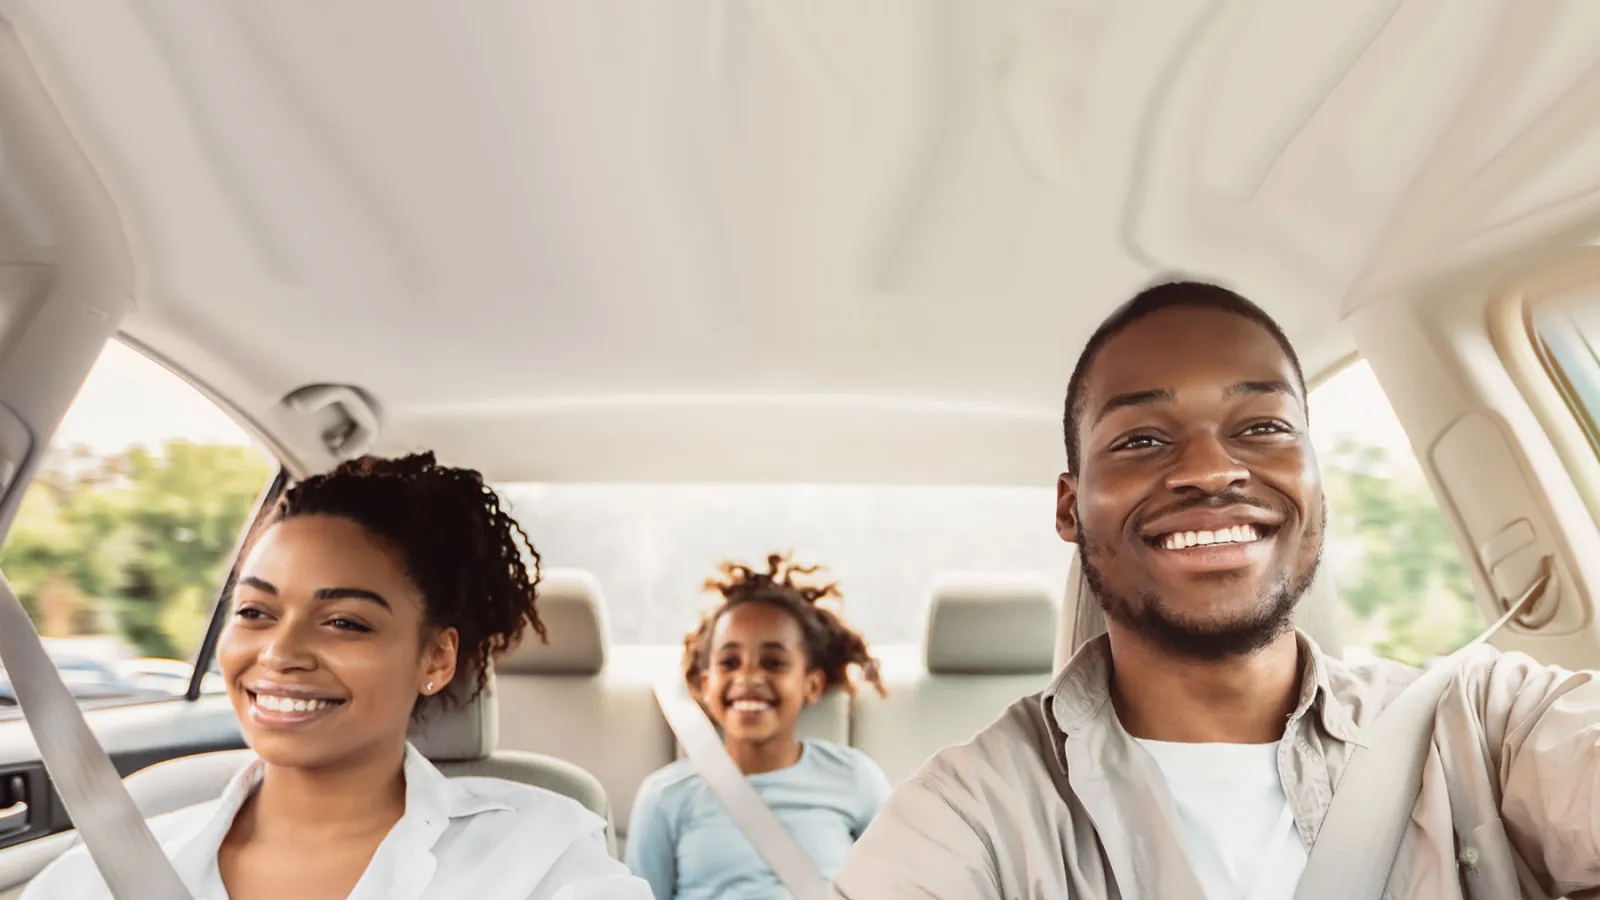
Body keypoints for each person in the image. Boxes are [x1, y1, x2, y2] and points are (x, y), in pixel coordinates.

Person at [830, 280, 1600, 899]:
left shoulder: (1483, 724)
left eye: (1263, 427)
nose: (1209, 470)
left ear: (1315, 481)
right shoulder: (976, 815)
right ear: (1070, 508)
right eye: (1141, 439)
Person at [26, 452, 651, 900]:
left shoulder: (540, 855)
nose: (280, 651)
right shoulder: (113, 864)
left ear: (435, 658)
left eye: (345, 623)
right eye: (255, 612)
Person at [626, 553, 892, 900]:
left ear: (811, 684)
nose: (749, 677)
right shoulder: (665, 797)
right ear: (706, 684)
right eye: (730, 662)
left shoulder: (855, 779)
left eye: (773, 662)